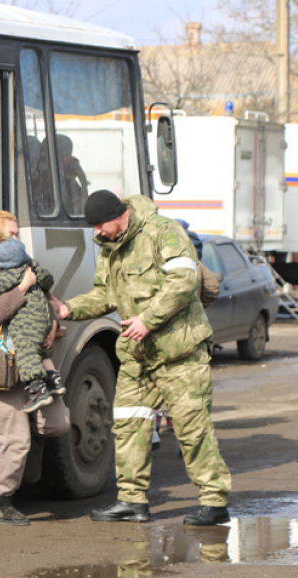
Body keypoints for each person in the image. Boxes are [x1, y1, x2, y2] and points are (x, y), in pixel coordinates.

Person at [57, 190, 233, 526]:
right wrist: (68, 309)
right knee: (127, 425)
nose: (96, 232)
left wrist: (147, 320)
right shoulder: (110, 248)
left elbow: (183, 283)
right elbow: (103, 294)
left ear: (118, 214)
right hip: (139, 358)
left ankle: (214, 501)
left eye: (99, 224)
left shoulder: (163, 232)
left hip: (181, 354)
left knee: (192, 429)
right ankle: (131, 501)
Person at [0, 204, 71, 526]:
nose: (19, 240)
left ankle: (21, 453)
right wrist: (22, 289)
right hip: (0, 369)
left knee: (58, 423)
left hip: (30, 364)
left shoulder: (24, 266)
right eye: (13, 234)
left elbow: (41, 305)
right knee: (16, 440)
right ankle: (0, 503)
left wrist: (49, 324)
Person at [0, 237, 65, 412]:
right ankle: (54, 381)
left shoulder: (8, 275)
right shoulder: (31, 269)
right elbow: (48, 279)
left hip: (27, 323)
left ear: (5, 265)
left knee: (27, 354)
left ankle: (38, 391)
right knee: (42, 352)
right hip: (44, 318)